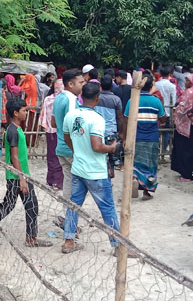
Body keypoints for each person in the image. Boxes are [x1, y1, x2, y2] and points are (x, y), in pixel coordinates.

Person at [61, 83, 120, 254]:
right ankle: (117, 246)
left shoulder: (71, 115)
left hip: (78, 168)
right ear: (97, 98)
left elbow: (67, 137)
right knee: (107, 208)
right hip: (95, 171)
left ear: (81, 96)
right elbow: (96, 146)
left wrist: (78, 151)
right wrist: (112, 148)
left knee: (74, 205)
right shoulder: (97, 119)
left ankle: (69, 241)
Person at [0, 97, 53, 248]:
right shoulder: (13, 131)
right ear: (15, 113)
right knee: (12, 205)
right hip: (17, 176)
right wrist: (22, 179)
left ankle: (31, 237)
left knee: (28, 205)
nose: (26, 113)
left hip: (19, 174)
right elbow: (14, 157)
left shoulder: (16, 129)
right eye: (24, 111)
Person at [124, 74, 166, 200]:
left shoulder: (132, 101)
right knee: (151, 164)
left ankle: (135, 178)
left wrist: (125, 137)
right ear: (151, 86)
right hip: (151, 138)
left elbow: (126, 119)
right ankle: (147, 191)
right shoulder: (156, 101)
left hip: (136, 137)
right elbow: (163, 117)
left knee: (135, 162)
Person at [53, 69, 85, 226]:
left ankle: (67, 216)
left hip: (61, 146)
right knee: (79, 185)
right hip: (72, 148)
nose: (83, 85)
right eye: (81, 82)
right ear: (71, 84)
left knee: (69, 182)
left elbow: (53, 122)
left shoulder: (58, 98)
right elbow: (75, 126)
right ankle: (71, 221)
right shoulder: (72, 100)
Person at [171, 74, 193, 181]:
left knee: (184, 149)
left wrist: (176, 110)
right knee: (192, 149)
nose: (185, 83)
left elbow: (183, 108)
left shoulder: (189, 92)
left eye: (187, 81)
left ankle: (186, 174)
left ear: (192, 82)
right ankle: (192, 170)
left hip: (186, 125)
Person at [94, 75, 124, 171]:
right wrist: (121, 133)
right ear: (112, 85)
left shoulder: (96, 98)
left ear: (100, 86)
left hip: (97, 131)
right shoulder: (116, 99)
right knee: (112, 160)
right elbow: (119, 117)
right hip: (111, 131)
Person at [39, 79, 64, 189]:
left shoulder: (48, 99)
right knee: (59, 156)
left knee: (51, 155)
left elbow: (43, 115)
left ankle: (50, 179)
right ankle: (58, 182)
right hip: (61, 131)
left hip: (50, 131)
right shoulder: (64, 100)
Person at [155, 66, 177, 151]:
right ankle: (163, 149)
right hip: (168, 111)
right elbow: (174, 100)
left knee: (157, 130)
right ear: (169, 74)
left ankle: (157, 148)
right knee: (167, 131)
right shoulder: (172, 86)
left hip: (157, 110)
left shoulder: (156, 84)